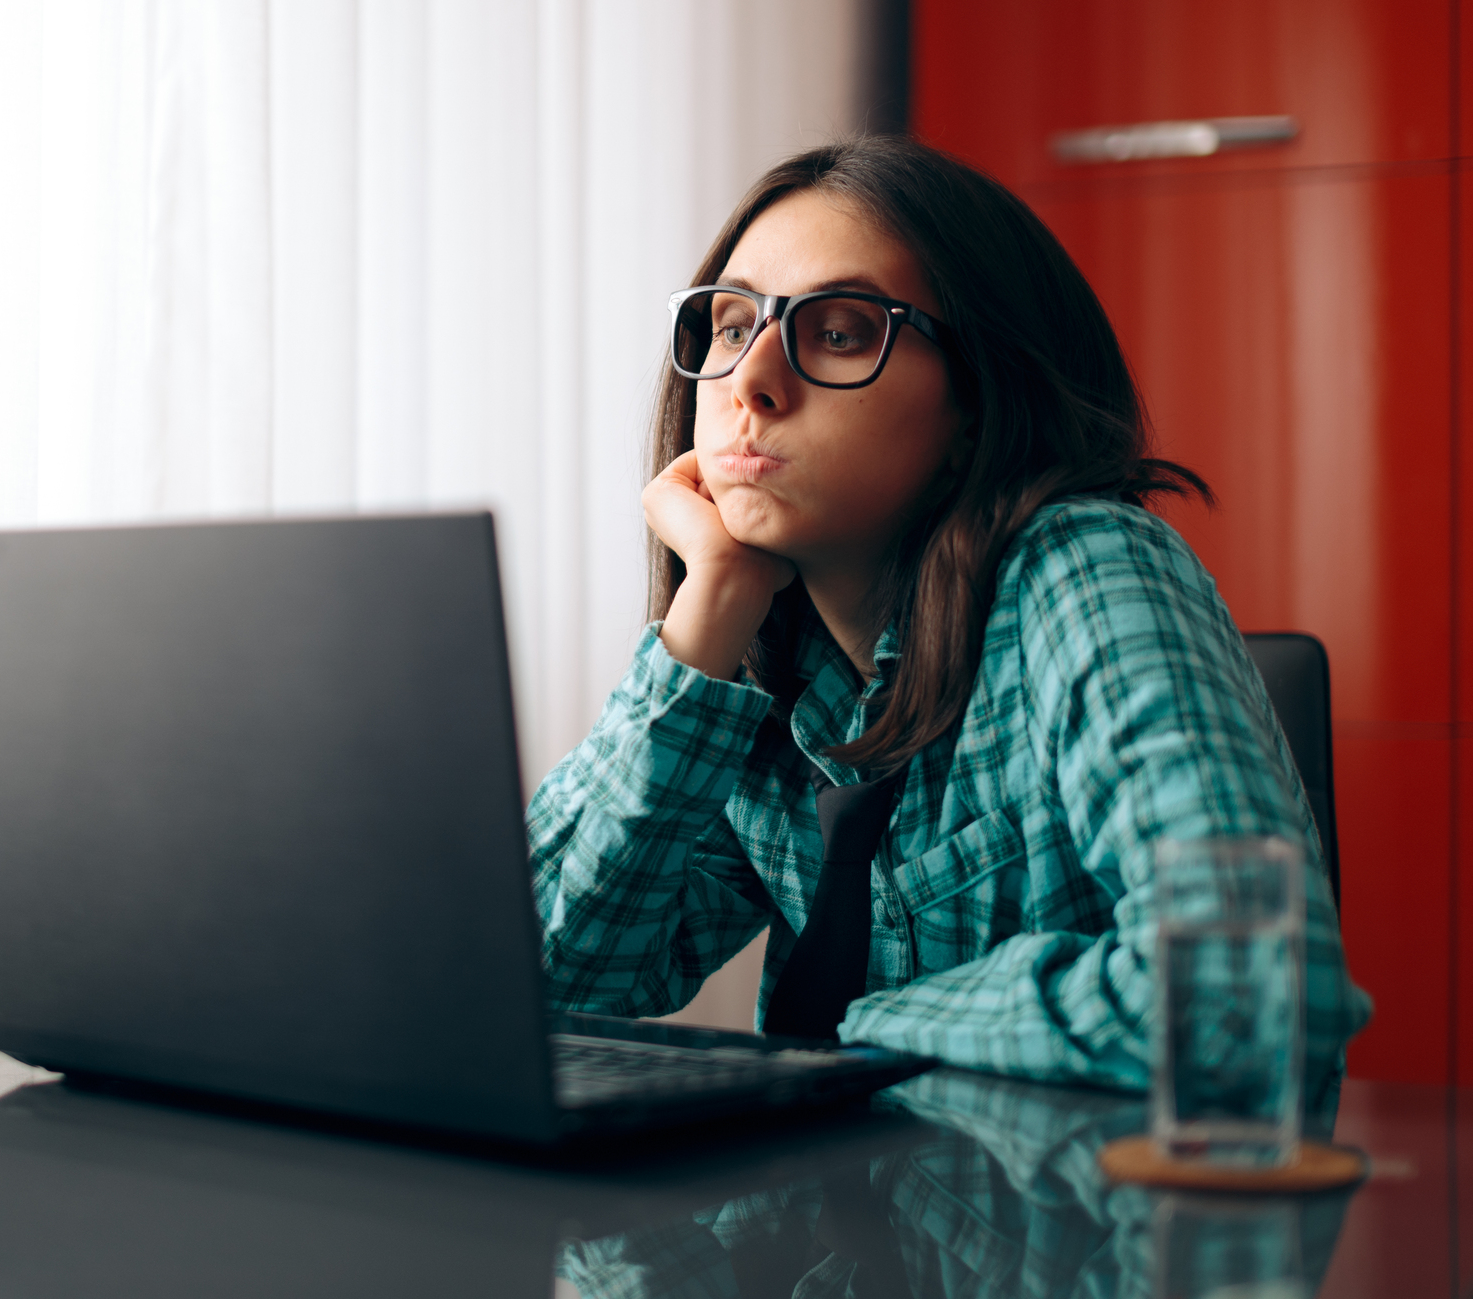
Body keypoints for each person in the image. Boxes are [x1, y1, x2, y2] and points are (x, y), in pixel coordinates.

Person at [526, 136, 1370, 1112]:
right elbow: (548, 986)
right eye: (728, 324)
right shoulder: (765, 664)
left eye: (839, 331)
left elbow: (1246, 1006)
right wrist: (703, 610)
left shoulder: (1081, 570)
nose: (750, 380)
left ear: (974, 399)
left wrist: (880, 1023)